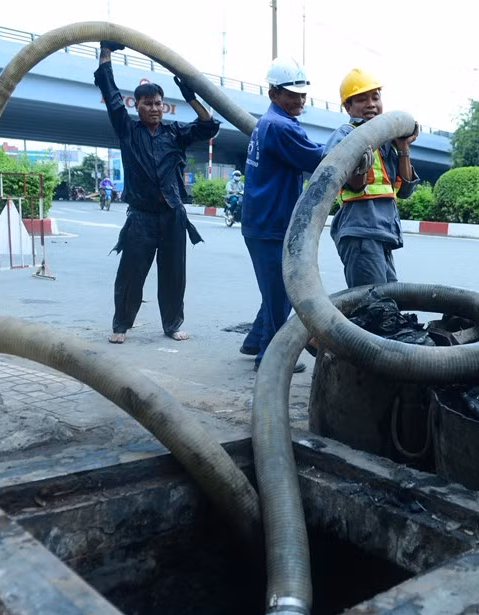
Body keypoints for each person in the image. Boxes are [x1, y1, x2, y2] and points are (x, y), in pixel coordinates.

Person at [95, 40, 220, 344]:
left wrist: (191, 97)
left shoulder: (175, 133)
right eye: (147, 103)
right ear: (136, 106)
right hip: (141, 217)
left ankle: (172, 324)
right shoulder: (128, 131)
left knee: (174, 274)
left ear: (164, 105)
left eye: (158, 103)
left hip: (173, 216)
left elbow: (208, 128)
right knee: (130, 275)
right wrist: (106, 53)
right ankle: (121, 326)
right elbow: (111, 94)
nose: (154, 108)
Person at [239, 56, 341, 373]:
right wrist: (348, 132)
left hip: (262, 220)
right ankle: (270, 358)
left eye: (302, 93)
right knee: (281, 294)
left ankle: (255, 341)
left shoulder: (271, 123)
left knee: (274, 289)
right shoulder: (281, 127)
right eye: (291, 93)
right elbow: (319, 160)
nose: (299, 99)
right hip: (270, 223)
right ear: (273, 94)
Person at [325, 68, 420, 288]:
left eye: (375, 97)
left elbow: (405, 191)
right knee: (372, 306)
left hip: (382, 232)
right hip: (361, 231)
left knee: (390, 304)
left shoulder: (389, 139)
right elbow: (346, 182)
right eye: (362, 99)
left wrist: (403, 148)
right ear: (348, 107)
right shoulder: (345, 135)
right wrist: (359, 169)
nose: (371, 104)